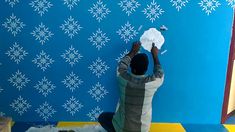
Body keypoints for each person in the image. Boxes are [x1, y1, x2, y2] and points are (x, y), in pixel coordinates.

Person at [98, 41, 164, 132]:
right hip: (142, 130)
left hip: (121, 128)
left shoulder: (122, 78)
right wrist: (155, 55)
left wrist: (133, 51)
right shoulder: (152, 83)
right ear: (146, 70)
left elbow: (121, 65)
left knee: (102, 117)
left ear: (131, 67)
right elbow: (159, 73)